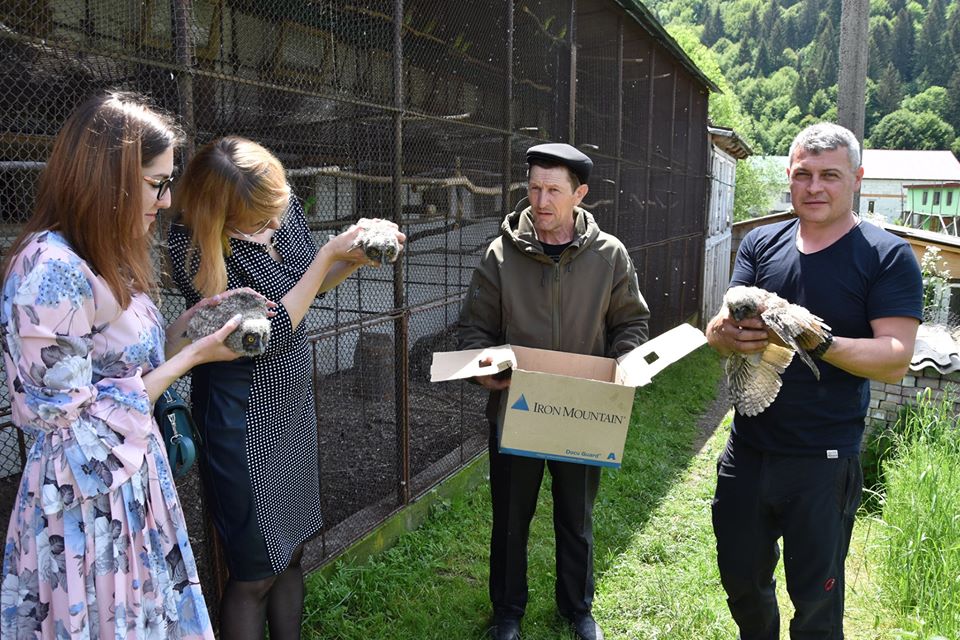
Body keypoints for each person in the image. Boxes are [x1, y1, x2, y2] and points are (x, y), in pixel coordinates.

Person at [0, 91, 249, 639]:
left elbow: (127, 365)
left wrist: (195, 323)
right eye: (157, 183)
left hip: (129, 490)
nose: (166, 201)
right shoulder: (50, 270)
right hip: (85, 511)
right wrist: (192, 358)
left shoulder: (104, 254)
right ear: (108, 178)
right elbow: (72, 425)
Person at [165, 136, 404, 640]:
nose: (276, 223)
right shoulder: (192, 247)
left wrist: (357, 257)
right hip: (240, 415)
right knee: (255, 572)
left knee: (292, 550)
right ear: (220, 213)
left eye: (277, 209)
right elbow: (266, 333)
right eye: (259, 221)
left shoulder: (277, 204)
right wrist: (327, 255)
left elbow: (306, 287)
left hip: (289, 399)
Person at [705, 122, 923, 639]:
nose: (814, 187)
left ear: (857, 180)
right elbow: (719, 325)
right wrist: (725, 334)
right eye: (803, 174)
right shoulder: (761, 242)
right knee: (741, 581)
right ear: (789, 176)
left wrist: (817, 341)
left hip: (823, 461)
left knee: (816, 603)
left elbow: (895, 357)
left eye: (830, 175)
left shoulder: (885, 255)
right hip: (748, 451)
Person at [458, 142, 650, 640]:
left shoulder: (610, 256)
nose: (540, 201)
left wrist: (626, 360)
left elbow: (632, 322)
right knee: (510, 520)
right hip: (517, 408)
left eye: (553, 191)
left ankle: (578, 608)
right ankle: (507, 615)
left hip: (583, 411)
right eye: (534, 188)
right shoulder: (500, 255)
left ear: (579, 195)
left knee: (576, 517)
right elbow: (474, 332)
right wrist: (485, 369)